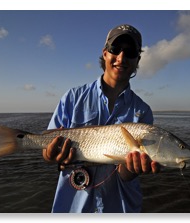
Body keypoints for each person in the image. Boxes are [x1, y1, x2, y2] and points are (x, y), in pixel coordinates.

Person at [43, 24, 160, 213]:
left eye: (130, 52)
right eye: (115, 49)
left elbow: (125, 174)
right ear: (105, 53)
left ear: (137, 59)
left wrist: (133, 167)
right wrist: (50, 155)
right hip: (73, 207)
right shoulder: (72, 98)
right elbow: (47, 151)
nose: (121, 58)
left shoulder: (143, 111)